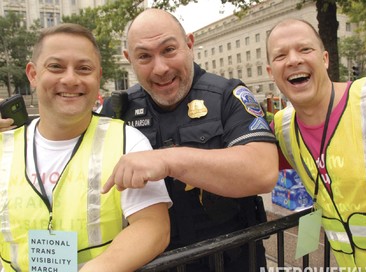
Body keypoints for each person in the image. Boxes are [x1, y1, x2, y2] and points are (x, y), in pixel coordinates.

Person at [100, 8, 279, 272]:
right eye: (144, 56)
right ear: (129, 59)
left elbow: (262, 172)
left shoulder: (228, 95)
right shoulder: (117, 110)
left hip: (232, 260)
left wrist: (168, 159)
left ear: (189, 44)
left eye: (169, 50)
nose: (160, 68)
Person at [0, 23, 172, 272]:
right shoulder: (4, 144)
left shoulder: (128, 141)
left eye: (83, 68)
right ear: (33, 74)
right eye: (56, 66)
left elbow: (153, 227)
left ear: (98, 77)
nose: (70, 79)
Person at [266, 18, 366, 269]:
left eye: (305, 49)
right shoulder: (283, 130)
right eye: (281, 55)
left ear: (325, 59)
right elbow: (244, 166)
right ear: (271, 72)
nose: (294, 59)